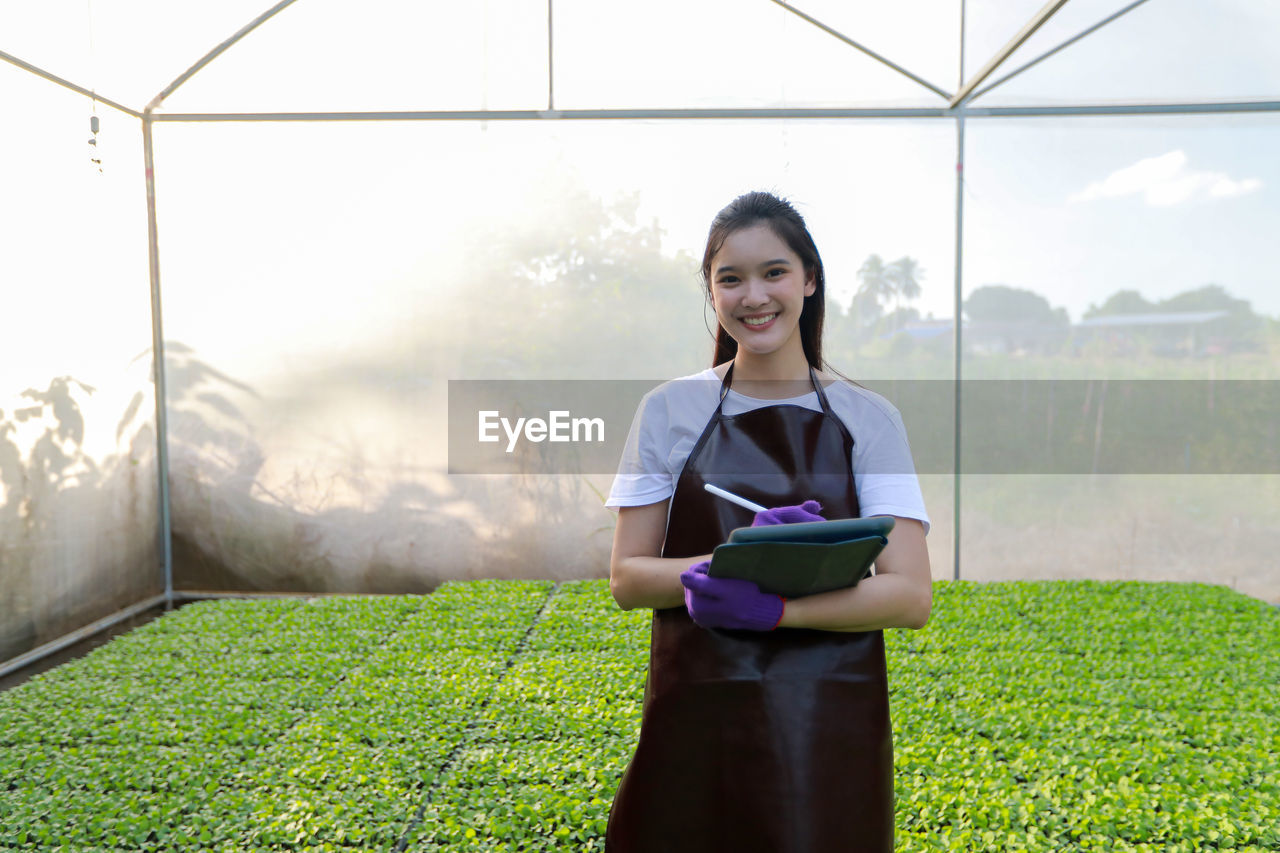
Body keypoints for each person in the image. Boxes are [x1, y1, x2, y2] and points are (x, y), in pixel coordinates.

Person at [603, 191, 932, 853]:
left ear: (809, 280)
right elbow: (627, 575)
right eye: (731, 278)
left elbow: (910, 593)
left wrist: (778, 607)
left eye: (774, 272)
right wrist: (720, 567)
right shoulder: (670, 409)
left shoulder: (869, 420)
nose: (754, 295)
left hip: (826, 720)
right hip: (698, 707)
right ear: (713, 293)